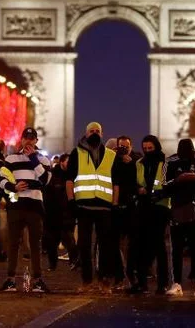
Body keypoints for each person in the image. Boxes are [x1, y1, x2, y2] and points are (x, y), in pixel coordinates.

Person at [0, 127, 51, 293]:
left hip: (35, 206)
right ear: (21, 139)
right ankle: (11, 279)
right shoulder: (11, 158)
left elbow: (45, 180)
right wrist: (13, 187)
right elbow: (0, 179)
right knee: (13, 243)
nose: (28, 140)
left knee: (35, 244)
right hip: (17, 205)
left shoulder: (43, 160)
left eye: (32, 138)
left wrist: (33, 159)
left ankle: (37, 280)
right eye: (26, 138)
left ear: (36, 141)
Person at [66, 122, 116, 294]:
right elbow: (69, 179)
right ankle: (87, 281)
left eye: (97, 131)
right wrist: (71, 201)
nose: (94, 133)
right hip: (83, 206)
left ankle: (104, 281)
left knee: (106, 247)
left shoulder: (111, 154)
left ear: (102, 134)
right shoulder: (76, 153)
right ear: (85, 134)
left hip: (104, 207)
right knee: (84, 246)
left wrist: (114, 204)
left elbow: (115, 182)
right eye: (91, 131)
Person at [163, 139, 195, 298]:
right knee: (176, 249)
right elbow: (164, 185)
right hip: (177, 209)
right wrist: (178, 180)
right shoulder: (170, 162)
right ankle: (177, 283)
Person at [129, 135, 169, 294]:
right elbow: (134, 182)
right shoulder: (139, 163)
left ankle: (162, 284)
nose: (147, 151)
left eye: (150, 148)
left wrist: (158, 193)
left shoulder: (166, 164)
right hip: (143, 206)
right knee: (141, 246)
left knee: (159, 247)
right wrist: (138, 189)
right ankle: (142, 283)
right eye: (145, 149)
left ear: (156, 147)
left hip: (160, 207)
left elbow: (169, 184)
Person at [112, 135, 141, 290]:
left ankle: (131, 273)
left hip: (131, 206)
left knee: (132, 243)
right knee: (116, 244)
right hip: (117, 206)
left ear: (131, 146)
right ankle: (119, 276)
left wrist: (132, 163)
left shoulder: (137, 160)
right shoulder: (112, 160)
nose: (124, 149)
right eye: (121, 146)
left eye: (126, 146)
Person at [43, 153, 78, 271]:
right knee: (52, 242)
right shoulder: (52, 175)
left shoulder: (73, 174)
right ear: (62, 162)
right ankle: (52, 264)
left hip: (67, 212)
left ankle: (74, 262)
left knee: (69, 240)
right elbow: (47, 194)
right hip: (53, 213)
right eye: (68, 162)